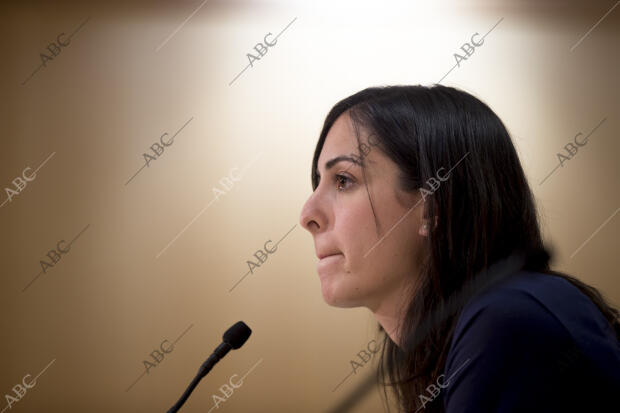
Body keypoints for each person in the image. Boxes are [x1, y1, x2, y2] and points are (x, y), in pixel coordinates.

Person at [298, 84, 620, 412]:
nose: (307, 215)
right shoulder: (480, 328)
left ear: (432, 206)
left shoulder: (508, 324)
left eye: (343, 180)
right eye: (317, 183)